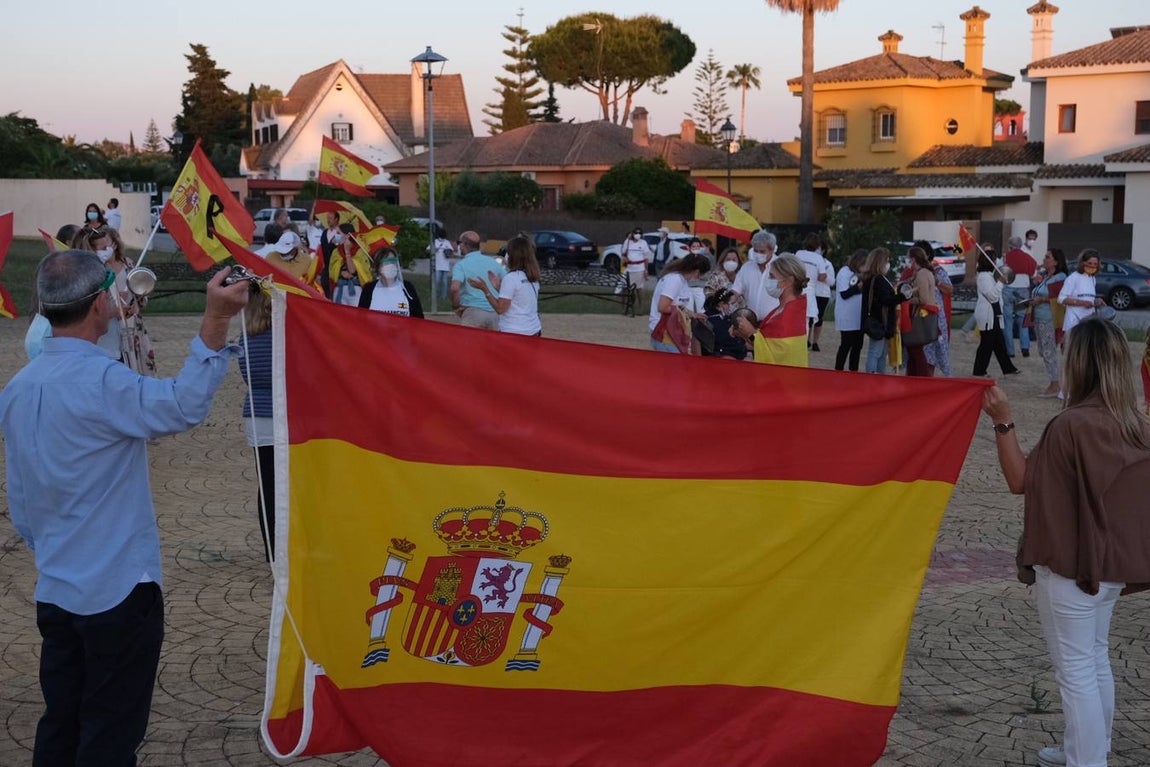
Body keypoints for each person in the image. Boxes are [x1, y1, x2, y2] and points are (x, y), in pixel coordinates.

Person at [0, 250, 249, 766]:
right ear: (98, 304)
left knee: (61, 723)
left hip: (57, 587)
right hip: (115, 591)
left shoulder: (18, 388)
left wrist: (53, 551)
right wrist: (216, 319)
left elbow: (20, 500)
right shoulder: (103, 382)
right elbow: (182, 404)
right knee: (109, 734)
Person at [982, 317, 1150, 767]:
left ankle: (1087, 759)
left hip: (1071, 568)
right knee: (1094, 659)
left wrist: (1003, 421)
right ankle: (1089, 749)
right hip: (1112, 567)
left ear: (1079, 364)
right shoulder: (1138, 425)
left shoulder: (1069, 426)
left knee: (1076, 671)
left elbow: (1019, 481)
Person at [237, 286, 275, 561]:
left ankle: (271, 550)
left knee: (267, 486)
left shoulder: (245, 337)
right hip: (281, 415)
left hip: (256, 416)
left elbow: (247, 375)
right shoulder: (281, 336)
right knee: (285, 486)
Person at [468, 233, 542, 336]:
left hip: (514, 332)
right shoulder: (532, 276)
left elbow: (500, 309)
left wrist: (484, 289)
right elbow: (518, 299)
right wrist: (499, 288)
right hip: (533, 330)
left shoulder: (511, 278)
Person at [753, 253, 809, 367]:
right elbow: (767, 343)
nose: (768, 280)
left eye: (772, 276)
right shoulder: (782, 309)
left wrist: (749, 332)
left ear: (788, 281)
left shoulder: (789, 316)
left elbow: (774, 355)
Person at [972, 251, 1021, 378]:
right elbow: (992, 296)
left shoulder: (989, 275)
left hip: (994, 313)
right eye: (993, 260)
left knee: (998, 342)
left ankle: (1008, 368)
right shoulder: (984, 277)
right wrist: (1000, 282)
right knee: (987, 343)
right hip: (987, 314)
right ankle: (979, 371)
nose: (995, 263)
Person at [649, 254, 710, 353]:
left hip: (671, 330)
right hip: (665, 331)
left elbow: (677, 305)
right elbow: (663, 307)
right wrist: (682, 313)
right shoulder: (674, 280)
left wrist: (692, 314)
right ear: (697, 272)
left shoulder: (681, 280)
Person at [859, 247, 905, 374]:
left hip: (880, 320)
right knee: (876, 352)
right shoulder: (878, 279)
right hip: (880, 320)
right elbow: (886, 300)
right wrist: (902, 296)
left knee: (881, 353)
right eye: (887, 261)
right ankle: (873, 376)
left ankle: (879, 376)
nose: (888, 264)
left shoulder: (873, 278)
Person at [1031, 248, 1069, 398]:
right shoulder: (1046, 276)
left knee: (1048, 351)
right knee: (1043, 350)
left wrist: (1042, 299)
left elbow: (1060, 298)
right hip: (1039, 316)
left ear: (1056, 262)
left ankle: (1055, 384)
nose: (1044, 259)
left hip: (1049, 318)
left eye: (1047, 257)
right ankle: (1055, 382)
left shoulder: (1060, 277)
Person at [450, 231, 504, 329]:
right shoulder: (494, 262)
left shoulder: (461, 265)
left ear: (463, 244)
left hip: (473, 312)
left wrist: (456, 306)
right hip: (495, 313)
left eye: (459, 243)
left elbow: (455, 288)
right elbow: (507, 283)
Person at [901, 246, 939, 377]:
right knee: (913, 350)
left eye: (909, 259)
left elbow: (923, 299)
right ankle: (913, 378)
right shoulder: (923, 272)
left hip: (920, 316)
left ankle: (923, 378)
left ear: (913, 259)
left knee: (915, 349)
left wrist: (906, 299)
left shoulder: (922, 274)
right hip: (921, 315)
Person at [358, 248, 424, 318]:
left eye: (393, 262)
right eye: (386, 263)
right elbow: (361, 318)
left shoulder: (407, 288)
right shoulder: (369, 289)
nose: (390, 266)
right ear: (378, 267)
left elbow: (419, 318)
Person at [730, 230, 779, 320]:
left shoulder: (780, 267)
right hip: (751, 320)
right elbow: (736, 290)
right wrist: (728, 299)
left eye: (762, 251)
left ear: (771, 250)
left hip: (774, 321)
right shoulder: (746, 268)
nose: (758, 254)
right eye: (756, 251)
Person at [1003, 235, 1038, 358]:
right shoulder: (1027, 257)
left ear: (1010, 246)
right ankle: (1025, 348)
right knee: (1023, 320)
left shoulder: (1005, 257)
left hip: (1008, 289)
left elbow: (999, 271)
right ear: (1020, 245)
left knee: (1007, 321)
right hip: (1023, 290)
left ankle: (1010, 351)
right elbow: (1033, 274)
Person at [1059, 249, 1106, 339]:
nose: (1092, 266)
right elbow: (1061, 298)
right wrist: (1081, 303)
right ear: (1083, 263)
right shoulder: (1073, 277)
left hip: (1088, 321)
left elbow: (1089, 297)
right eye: (1089, 263)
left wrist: (1096, 301)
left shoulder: (1092, 278)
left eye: (1095, 264)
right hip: (1073, 322)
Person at [834, 249, 866, 371]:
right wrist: (859, 287)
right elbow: (844, 294)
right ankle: (838, 370)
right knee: (846, 345)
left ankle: (854, 372)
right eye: (863, 264)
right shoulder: (845, 272)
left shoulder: (862, 274)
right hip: (847, 315)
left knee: (857, 346)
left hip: (859, 316)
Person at [795, 233, 826, 350]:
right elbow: (822, 276)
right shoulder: (818, 258)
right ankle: (803, 343)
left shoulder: (798, 253)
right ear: (817, 245)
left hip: (796, 288)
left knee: (795, 316)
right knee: (807, 318)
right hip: (810, 289)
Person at [619, 227, 653, 300]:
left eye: (640, 233)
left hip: (639, 269)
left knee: (639, 289)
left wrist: (646, 270)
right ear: (633, 233)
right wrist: (625, 258)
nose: (638, 234)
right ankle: (623, 305)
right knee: (625, 288)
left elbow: (646, 258)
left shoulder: (643, 243)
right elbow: (623, 254)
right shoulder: (627, 242)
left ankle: (640, 306)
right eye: (636, 233)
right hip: (628, 268)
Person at [318, 212, 343, 298]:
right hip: (326, 265)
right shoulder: (325, 232)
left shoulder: (340, 233)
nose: (328, 220)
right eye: (327, 218)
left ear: (336, 219)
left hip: (335, 265)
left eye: (330, 218)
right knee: (324, 284)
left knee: (333, 287)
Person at [430, 226, 454, 305]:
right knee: (436, 281)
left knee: (444, 282)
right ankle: (434, 296)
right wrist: (435, 249)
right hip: (437, 265)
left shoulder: (447, 242)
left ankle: (443, 297)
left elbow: (451, 251)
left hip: (445, 266)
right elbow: (428, 249)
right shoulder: (435, 241)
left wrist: (448, 252)